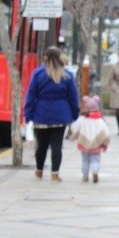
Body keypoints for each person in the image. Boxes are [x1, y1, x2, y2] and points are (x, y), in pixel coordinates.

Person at [25, 47, 80, 182]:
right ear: (59, 58)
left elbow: (30, 95)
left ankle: (39, 171)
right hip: (61, 114)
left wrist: (28, 114)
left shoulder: (38, 74)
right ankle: (55, 174)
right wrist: (74, 114)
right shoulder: (67, 75)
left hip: (41, 113)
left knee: (41, 145)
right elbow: (73, 97)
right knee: (57, 145)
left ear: (45, 57)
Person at [69, 95, 111, 183]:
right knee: (95, 160)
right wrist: (105, 143)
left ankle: (85, 175)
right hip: (96, 145)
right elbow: (105, 133)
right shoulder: (100, 120)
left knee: (85, 161)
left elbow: (74, 128)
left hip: (83, 144)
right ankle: (95, 171)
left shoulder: (82, 119)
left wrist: (73, 136)